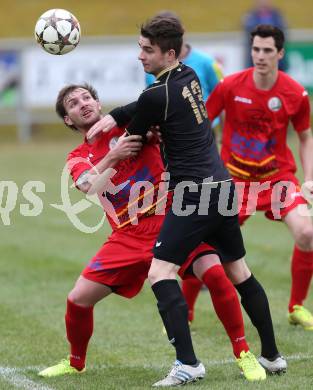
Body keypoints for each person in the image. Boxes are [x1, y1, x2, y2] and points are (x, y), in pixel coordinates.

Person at [87, 15, 286, 386]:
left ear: (170, 53)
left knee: (160, 272)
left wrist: (103, 153)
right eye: (140, 47)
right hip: (222, 186)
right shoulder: (188, 76)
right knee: (239, 271)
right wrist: (114, 115)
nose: (140, 56)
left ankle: (188, 364)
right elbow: (145, 105)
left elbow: (132, 138)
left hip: (193, 195)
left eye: (148, 50)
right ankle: (273, 356)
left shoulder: (156, 94)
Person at [37, 84, 266, 382]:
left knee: (214, 272)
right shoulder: (79, 155)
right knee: (78, 298)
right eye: (72, 103)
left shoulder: (130, 125)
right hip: (128, 233)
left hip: (172, 218)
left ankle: (243, 353)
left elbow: (158, 103)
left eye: (86, 97)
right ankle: (75, 362)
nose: (82, 104)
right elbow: (86, 185)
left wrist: (149, 133)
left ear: (98, 101)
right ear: (68, 119)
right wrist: (115, 155)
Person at [206, 24, 313, 333]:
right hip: (234, 179)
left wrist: (309, 178)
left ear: (280, 53)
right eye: (256, 50)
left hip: (277, 177)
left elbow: (305, 137)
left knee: (307, 233)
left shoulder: (295, 93)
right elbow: (203, 122)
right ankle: (185, 312)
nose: (260, 56)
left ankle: (295, 307)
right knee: (209, 245)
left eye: (267, 50)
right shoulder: (230, 87)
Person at [145, 11, 222, 129]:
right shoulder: (152, 67)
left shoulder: (207, 63)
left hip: (204, 133)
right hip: (170, 135)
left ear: (183, 32)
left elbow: (224, 97)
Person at [242, 0, 287, 71]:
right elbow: (248, 34)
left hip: (277, 62)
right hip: (254, 62)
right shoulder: (250, 17)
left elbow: (283, 34)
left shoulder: (277, 16)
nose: (263, 2)